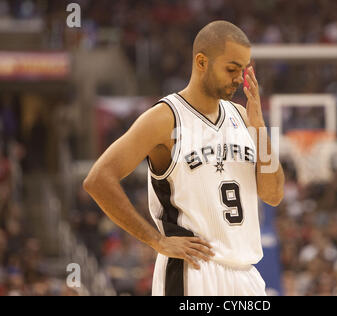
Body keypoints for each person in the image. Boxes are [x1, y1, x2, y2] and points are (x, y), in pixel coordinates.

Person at [83, 20, 285, 296]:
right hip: (193, 274)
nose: (239, 79)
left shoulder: (242, 116)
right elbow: (97, 180)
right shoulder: (165, 118)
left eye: (243, 70)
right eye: (231, 69)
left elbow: (273, 195)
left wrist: (260, 128)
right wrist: (156, 241)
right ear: (201, 62)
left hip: (246, 274)